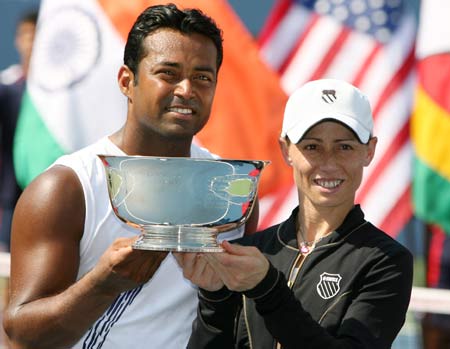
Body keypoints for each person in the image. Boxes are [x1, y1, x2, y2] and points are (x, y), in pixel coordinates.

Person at [3, 4, 258, 349]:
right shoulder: (67, 187)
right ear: (127, 81)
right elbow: (21, 334)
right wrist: (103, 284)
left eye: (202, 77)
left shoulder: (232, 191)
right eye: (168, 73)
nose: (186, 89)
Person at [176, 78, 414, 349]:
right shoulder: (251, 251)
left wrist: (266, 288)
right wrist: (213, 298)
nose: (328, 162)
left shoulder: (387, 261)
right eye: (312, 146)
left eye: (344, 146)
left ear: (369, 151)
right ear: (286, 150)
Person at [0, 10, 38, 252]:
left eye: (36, 35)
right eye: (25, 35)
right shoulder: (7, 87)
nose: (31, 42)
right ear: (17, 39)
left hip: (54, 196)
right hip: (11, 200)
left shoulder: (64, 97)